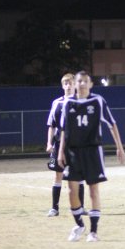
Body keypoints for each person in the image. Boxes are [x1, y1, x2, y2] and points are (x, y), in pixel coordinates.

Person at [57, 70, 125, 242]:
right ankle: (79, 225)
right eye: (79, 81)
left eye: (85, 81)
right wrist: (60, 152)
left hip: (92, 151)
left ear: (90, 84)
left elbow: (112, 124)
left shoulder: (98, 101)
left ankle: (93, 232)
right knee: (72, 191)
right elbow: (64, 130)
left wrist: (120, 147)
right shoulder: (68, 103)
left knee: (93, 191)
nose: (81, 84)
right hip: (73, 151)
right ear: (75, 83)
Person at [46, 73, 85, 216]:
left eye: (71, 83)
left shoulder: (81, 102)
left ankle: (80, 208)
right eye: (66, 83)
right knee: (58, 175)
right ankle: (54, 208)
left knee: (79, 176)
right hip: (59, 146)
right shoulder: (57, 103)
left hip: (75, 145)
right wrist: (49, 143)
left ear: (75, 85)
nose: (68, 86)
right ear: (63, 86)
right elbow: (51, 125)